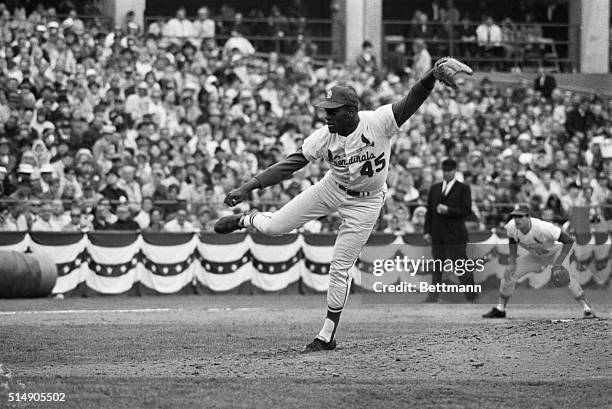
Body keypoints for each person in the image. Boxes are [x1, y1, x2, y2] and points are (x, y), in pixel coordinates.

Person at [214, 58, 473, 352]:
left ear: (352, 111)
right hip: (331, 188)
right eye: (326, 110)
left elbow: (411, 99)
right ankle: (244, 220)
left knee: (339, 267)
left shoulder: (378, 121)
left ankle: (326, 335)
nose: (327, 116)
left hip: (367, 203)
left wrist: (430, 76)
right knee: (274, 227)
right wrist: (248, 187)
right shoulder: (325, 136)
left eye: (333, 111)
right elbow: (291, 164)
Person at [483, 204, 596, 319]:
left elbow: (569, 241)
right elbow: (512, 241)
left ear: (528, 217)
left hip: (555, 252)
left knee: (565, 276)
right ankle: (500, 309)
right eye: (515, 216)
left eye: (520, 217)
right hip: (535, 256)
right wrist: (512, 262)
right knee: (509, 274)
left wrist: (558, 264)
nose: (516, 219)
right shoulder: (512, 227)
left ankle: (587, 309)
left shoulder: (543, 228)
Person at [423, 158, 476, 303]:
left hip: (455, 235)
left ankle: (471, 297)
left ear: (455, 171)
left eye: (449, 171)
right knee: (437, 265)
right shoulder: (435, 188)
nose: (446, 173)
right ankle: (433, 296)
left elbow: (466, 210)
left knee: (461, 266)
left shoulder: (463, 188)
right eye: (444, 171)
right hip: (438, 234)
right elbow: (429, 212)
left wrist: (448, 210)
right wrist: (427, 231)